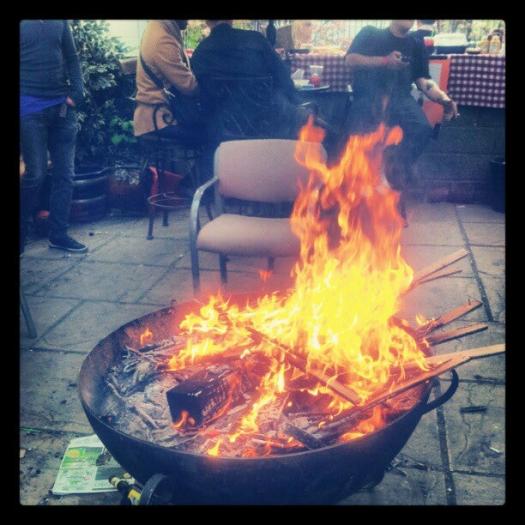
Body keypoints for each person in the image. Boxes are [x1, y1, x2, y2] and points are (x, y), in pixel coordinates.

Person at [343, 20, 458, 224]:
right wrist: (385, 61)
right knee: (360, 134)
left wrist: (444, 99)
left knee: (421, 128)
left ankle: (391, 177)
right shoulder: (370, 33)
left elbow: (423, 80)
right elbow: (350, 60)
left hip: (400, 100)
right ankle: (356, 197)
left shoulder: (415, 43)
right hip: (368, 98)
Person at [20, 19, 87, 253]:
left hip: (62, 109)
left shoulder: (60, 21)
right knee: (36, 174)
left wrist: (77, 93)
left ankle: (58, 235)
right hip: (29, 110)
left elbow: (72, 58)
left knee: (65, 175)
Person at [190, 20, 310, 143]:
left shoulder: (201, 52)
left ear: (207, 22)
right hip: (268, 128)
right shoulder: (256, 40)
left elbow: (199, 95)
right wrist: (297, 103)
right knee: (308, 118)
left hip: (220, 134)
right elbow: (283, 78)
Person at [133, 20, 202, 144]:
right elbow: (189, 87)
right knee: (212, 133)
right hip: (160, 119)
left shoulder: (159, 28)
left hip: (162, 113)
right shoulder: (162, 40)